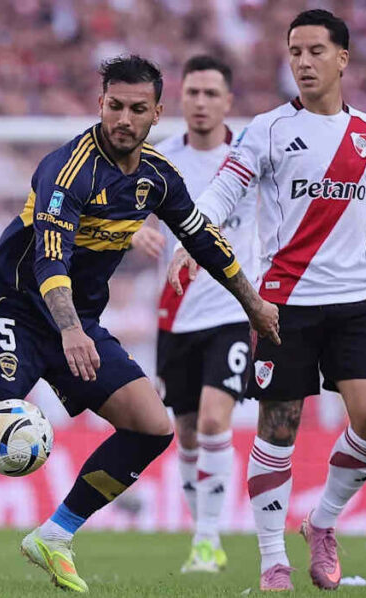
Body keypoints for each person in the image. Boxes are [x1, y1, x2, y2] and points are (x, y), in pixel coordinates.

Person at [0, 54, 280, 593]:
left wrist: (253, 302)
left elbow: (203, 238)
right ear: (100, 105)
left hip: (79, 323)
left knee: (153, 426)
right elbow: (50, 258)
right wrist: (71, 329)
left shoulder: (158, 177)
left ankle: (55, 534)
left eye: (136, 109)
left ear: (157, 113)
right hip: (13, 310)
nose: (123, 118)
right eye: (114, 106)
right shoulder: (67, 168)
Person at [169, 9, 366, 591]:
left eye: (315, 51)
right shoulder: (268, 128)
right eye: (294, 51)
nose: (302, 62)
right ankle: (273, 559)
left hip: (356, 300)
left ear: (342, 59)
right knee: (279, 427)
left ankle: (321, 523)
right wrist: (190, 240)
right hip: (284, 302)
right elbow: (226, 188)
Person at [132, 54, 259, 574]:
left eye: (211, 94)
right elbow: (119, 214)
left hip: (231, 311)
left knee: (213, 418)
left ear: (229, 101)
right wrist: (133, 230)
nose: (201, 103)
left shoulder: (251, 158)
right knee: (184, 430)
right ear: (176, 102)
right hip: (175, 314)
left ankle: (208, 539)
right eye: (193, 94)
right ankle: (201, 533)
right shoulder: (159, 159)